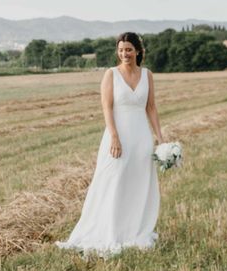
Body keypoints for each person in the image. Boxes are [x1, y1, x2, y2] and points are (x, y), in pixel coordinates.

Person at [55, 32, 163, 256]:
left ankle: (134, 230)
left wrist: (160, 138)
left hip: (141, 136)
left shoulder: (147, 75)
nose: (125, 53)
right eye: (121, 50)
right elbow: (106, 107)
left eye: (129, 49)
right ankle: (110, 230)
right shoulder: (110, 74)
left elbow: (151, 107)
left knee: (138, 183)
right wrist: (114, 136)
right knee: (114, 181)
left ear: (138, 51)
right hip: (118, 136)